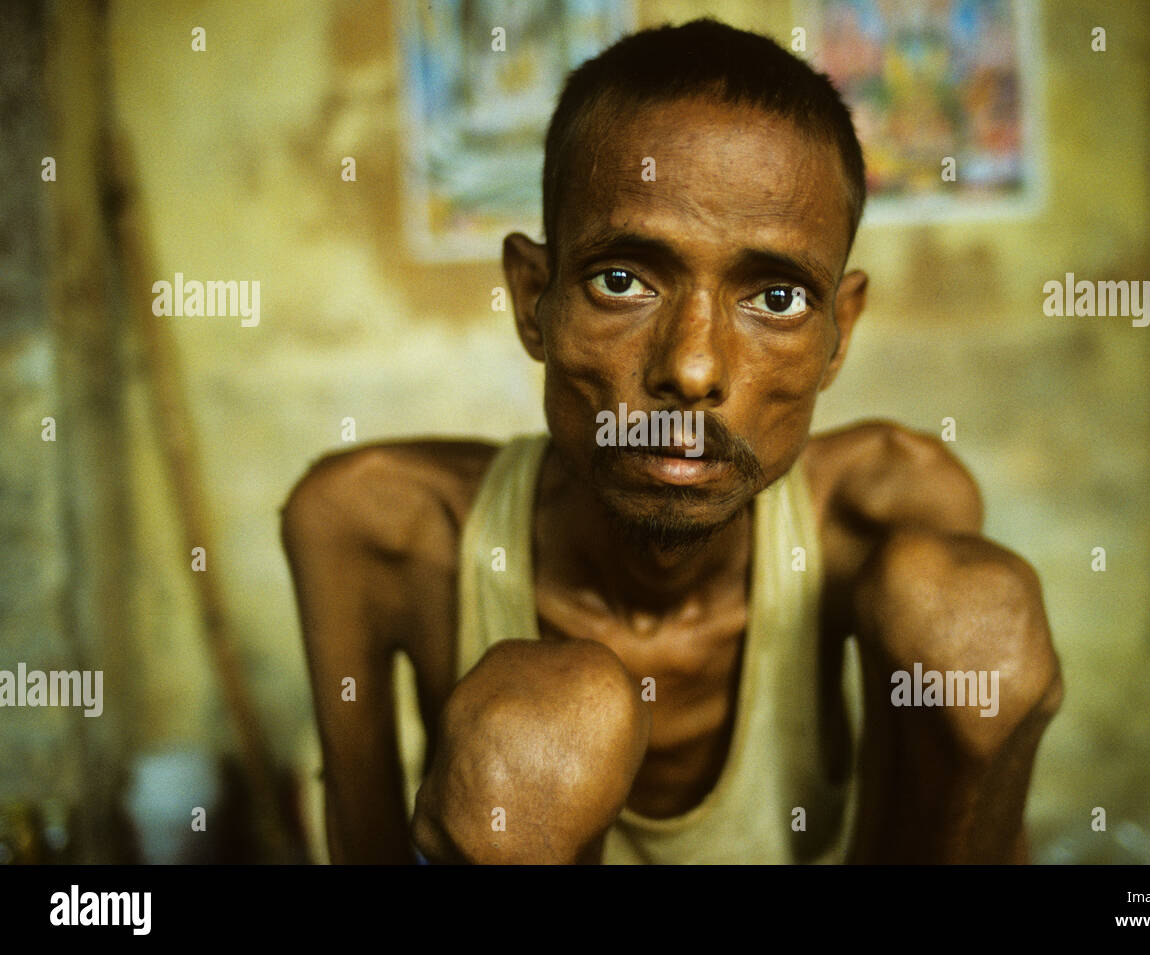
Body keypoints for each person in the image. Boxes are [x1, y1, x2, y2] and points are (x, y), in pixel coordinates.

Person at [281, 17, 1062, 864]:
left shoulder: (887, 508)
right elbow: (360, 843)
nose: (692, 368)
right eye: (622, 281)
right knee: (547, 720)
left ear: (840, 334)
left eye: (775, 299)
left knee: (979, 616)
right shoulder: (376, 526)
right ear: (531, 298)